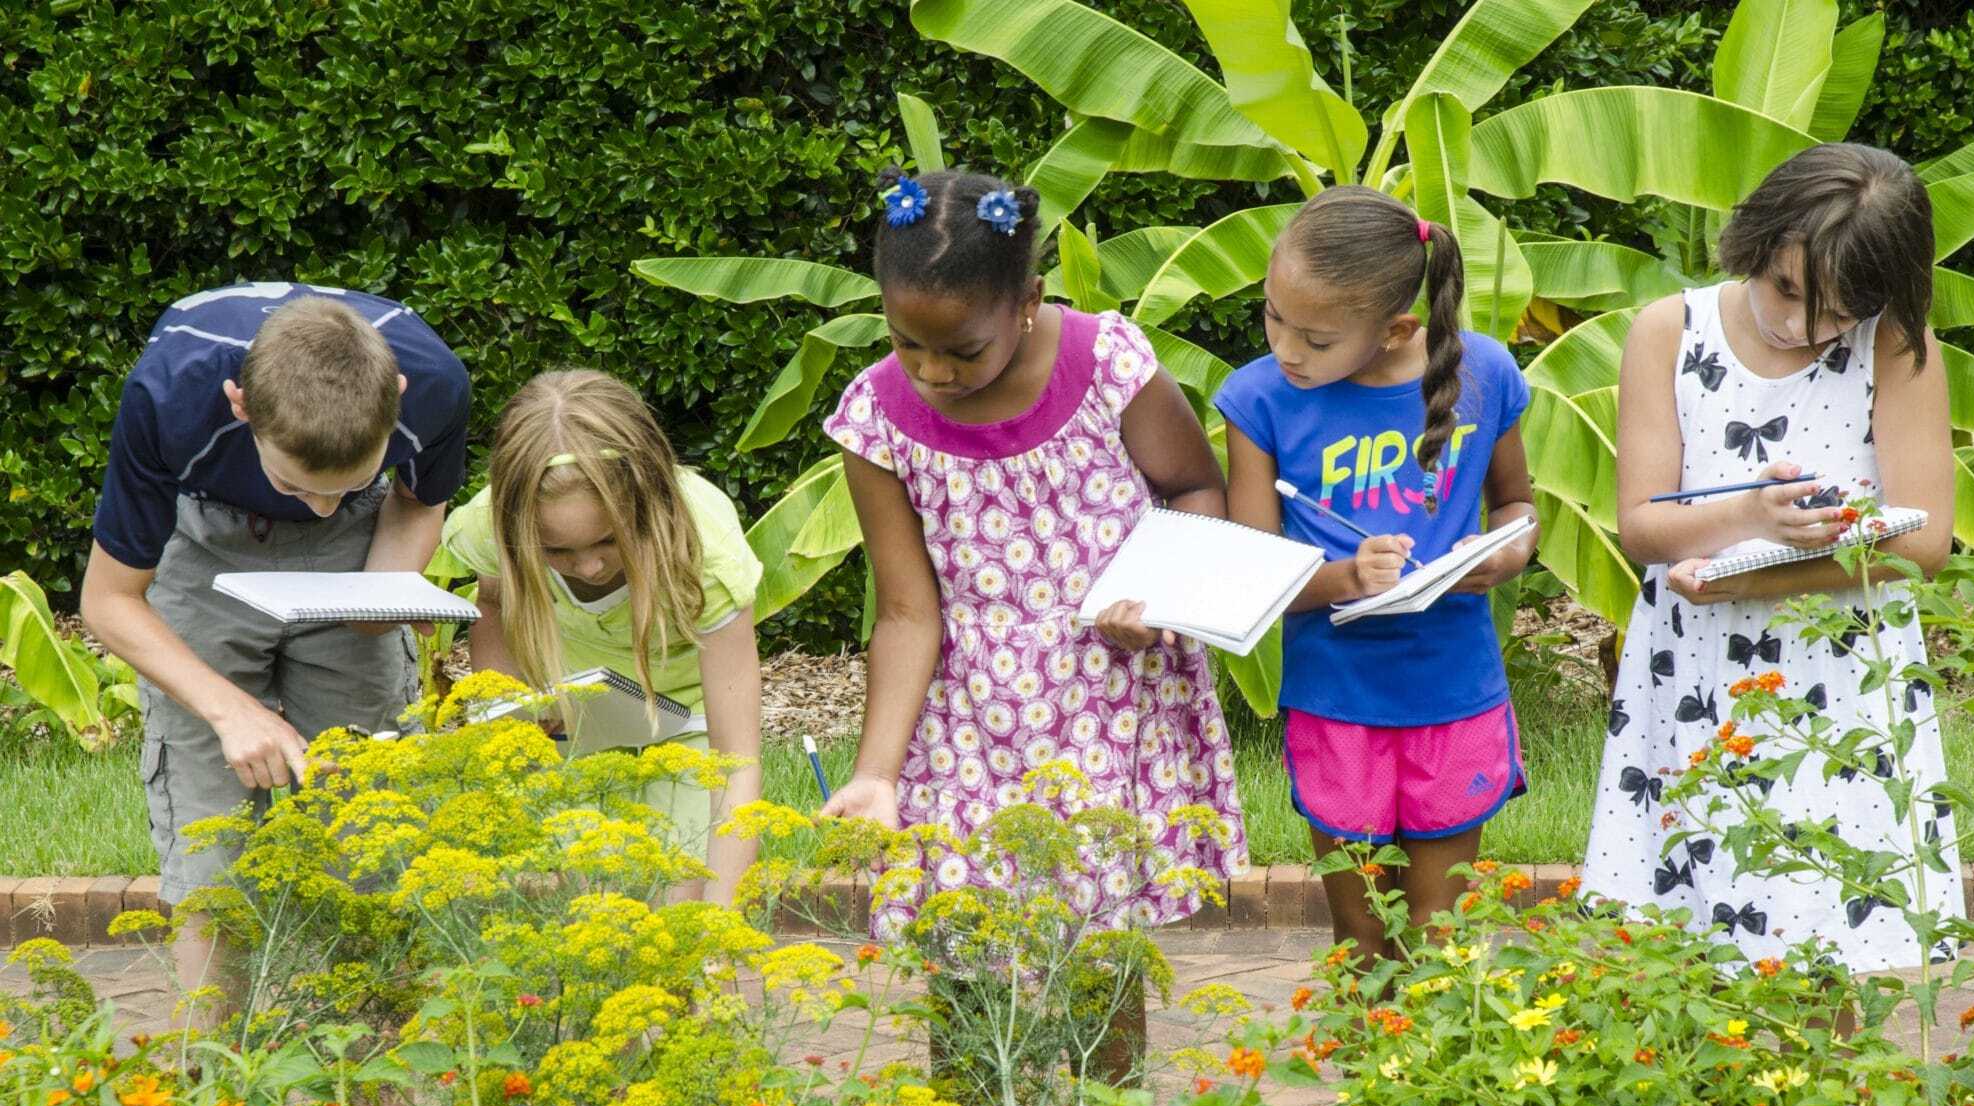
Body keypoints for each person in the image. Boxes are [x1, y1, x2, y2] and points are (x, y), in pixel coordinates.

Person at [819, 167, 1249, 940]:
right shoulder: (876, 418)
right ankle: (974, 1070)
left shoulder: (1108, 363)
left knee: (1101, 939)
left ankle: (1110, 1071)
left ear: (1027, 303)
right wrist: (877, 774)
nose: (932, 371)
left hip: (1112, 692)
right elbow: (908, 612)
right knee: (956, 926)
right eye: (904, 341)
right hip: (964, 712)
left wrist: (1157, 598)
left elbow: (1194, 489)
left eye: (960, 349)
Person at [1585, 143, 1964, 975]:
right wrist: (1750, 515)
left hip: (1842, 676)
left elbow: (1925, 540)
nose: (1798, 326)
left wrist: (1764, 574)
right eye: (1787, 290)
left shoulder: (1893, 345)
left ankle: (1815, 1103)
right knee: (1685, 915)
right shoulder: (1669, 331)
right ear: (1757, 238)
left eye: (1833, 313)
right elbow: (1643, 526)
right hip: (1695, 673)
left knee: (1829, 920)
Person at [80, 282, 470, 990]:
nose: (318, 507)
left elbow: (417, 501)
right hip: (207, 541)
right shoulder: (173, 389)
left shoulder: (436, 384)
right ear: (241, 406)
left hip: (363, 539)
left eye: (342, 483)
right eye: (299, 486)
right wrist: (232, 710)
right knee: (213, 854)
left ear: (400, 394)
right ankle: (213, 1083)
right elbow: (108, 601)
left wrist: (378, 600)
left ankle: (373, 1079)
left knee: (372, 831)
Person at [1219, 187, 1537, 954]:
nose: (1287, 348)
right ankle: (1362, 1071)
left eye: (1316, 338)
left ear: (1398, 326)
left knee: (1438, 926)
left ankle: (1431, 1074)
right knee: (1362, 928)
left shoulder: (1484, 373)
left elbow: (1517, 506)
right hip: (1338, 701)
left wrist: (1505, 554)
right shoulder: (1258, 398)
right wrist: (1344, 579)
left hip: (1455, 689)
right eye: (1273, 316)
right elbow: (1251, 571)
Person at [440, 370, 765, 903]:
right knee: (593, 890)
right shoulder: (488, 526)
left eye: (608, 541)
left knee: (679, 888)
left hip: (687, 725)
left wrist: (717, 930)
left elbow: (736, 765)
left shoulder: (705, 553)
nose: (588, 567)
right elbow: (495, 603)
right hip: (572, 720)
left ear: (648, 508)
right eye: (557, 552)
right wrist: (510, 715)